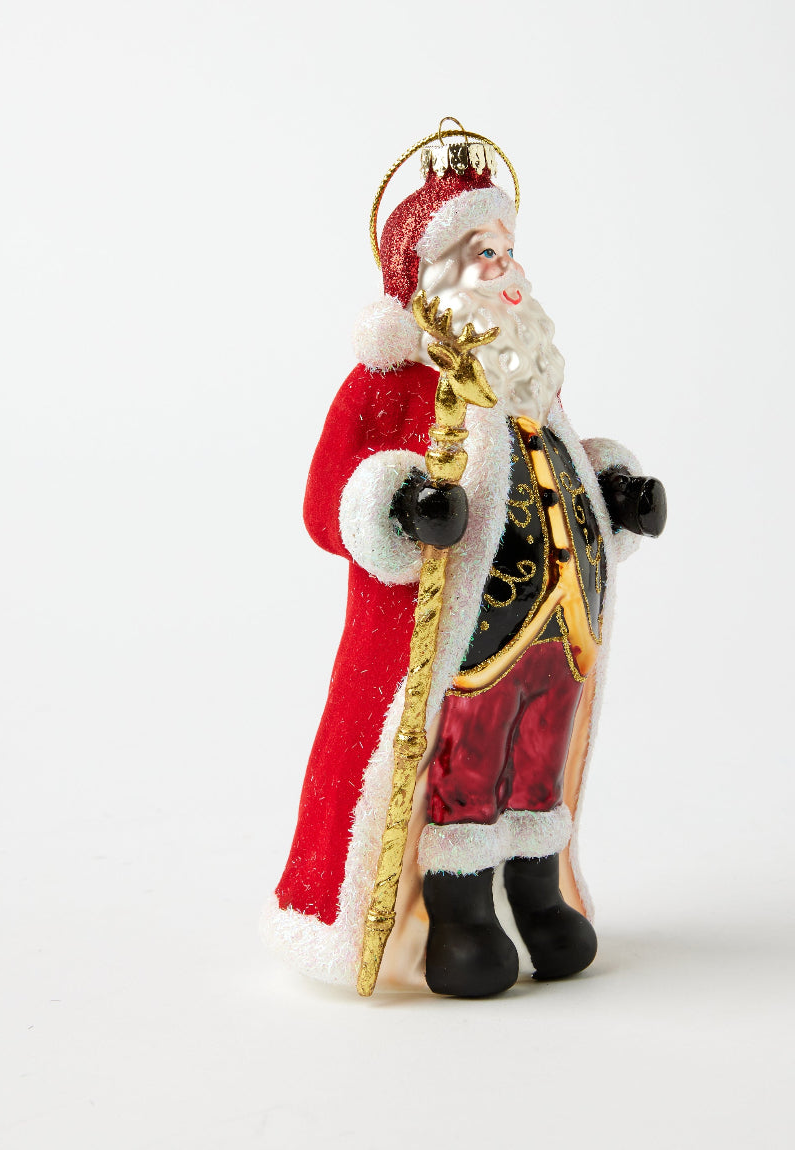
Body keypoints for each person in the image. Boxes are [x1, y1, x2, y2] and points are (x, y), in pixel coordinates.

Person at [265, 130, 666, 996]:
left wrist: (614, 492)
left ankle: (538, 900)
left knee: (540, 760)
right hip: (474, 631)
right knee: (469, 768)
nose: (505, 267)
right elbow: (328, 503)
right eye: (484, 251)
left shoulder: (527, 373)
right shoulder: (395, 379)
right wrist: (400, 506)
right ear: (435, 270)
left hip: (560, 618)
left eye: (507, 249)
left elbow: (556, 469)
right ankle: (462, 917)